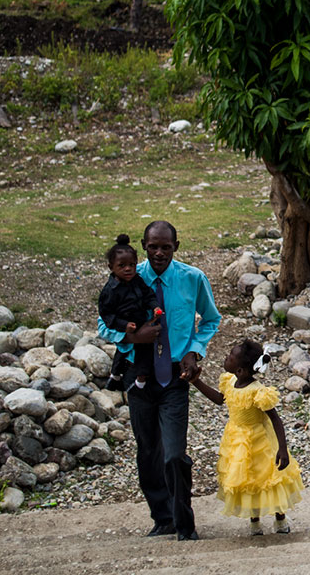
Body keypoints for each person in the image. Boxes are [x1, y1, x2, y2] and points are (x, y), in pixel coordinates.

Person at [97, 220, 220, 542]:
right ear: (144, 246)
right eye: (153, 246)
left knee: (174, 454)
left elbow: (211, 319)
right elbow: (103, 324)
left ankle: (185, 524)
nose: (159, 253)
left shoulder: (193, 279)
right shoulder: (124, 278)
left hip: (175, 378)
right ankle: (162, 518)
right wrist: (133, 336)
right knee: (149, 450)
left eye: (166, 246)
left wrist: (195, 350)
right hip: (139, 377)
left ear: (176, 246)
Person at [190, 339, 304, 536]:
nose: (226, 357)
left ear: (241, 370)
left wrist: (282, 449)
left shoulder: (258, 392)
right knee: (247, 479)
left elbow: (275, 420)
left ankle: (280, 517)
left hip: (260, 440)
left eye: (230, 357)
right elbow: (219, 399)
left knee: (268, 477)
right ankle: (255, 521)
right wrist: (195, 382)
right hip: (237, 439)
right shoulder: (230, 381)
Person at [97, 234, 159, 392]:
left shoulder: (137, 280)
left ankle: (140, 379)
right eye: (122, 265)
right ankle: (116, 375)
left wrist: (155, 307)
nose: (128, 269)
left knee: (143, 350)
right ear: (111, 267)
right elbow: (106, 315)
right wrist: (124, 326)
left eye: (132, 265)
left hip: (140, 322)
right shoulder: (110, 291)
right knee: (124, 348)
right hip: (125, 325)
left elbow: (148, 295)